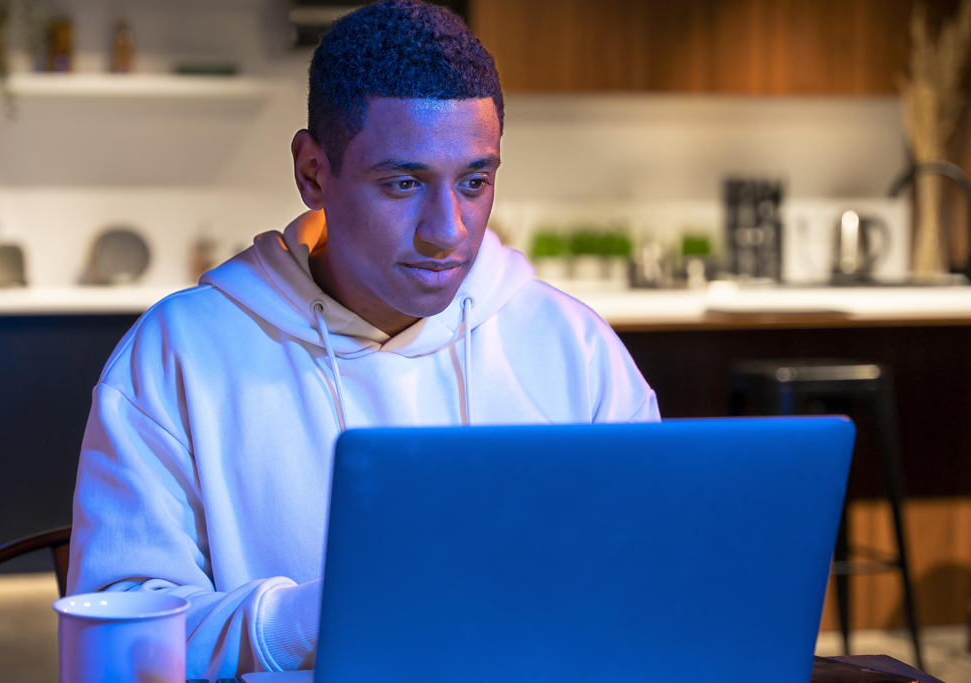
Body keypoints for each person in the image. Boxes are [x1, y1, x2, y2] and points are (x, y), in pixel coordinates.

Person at [67, 0, 660, 678]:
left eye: (475, 182)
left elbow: (649, 587)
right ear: (313, 172)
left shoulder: (574, 348)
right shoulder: (178, 355)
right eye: (404, 183)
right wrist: (309, 615)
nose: (449, 230)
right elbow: (116, 643)